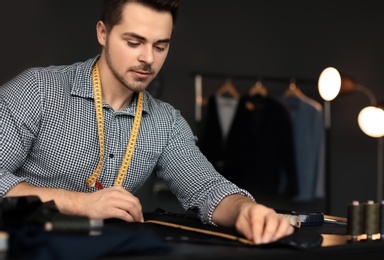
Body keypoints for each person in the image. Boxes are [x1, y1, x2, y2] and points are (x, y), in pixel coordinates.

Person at [0, 0, 294, 245]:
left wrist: (246, 210)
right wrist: (79, 203)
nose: (148, 59)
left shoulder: (166, 122)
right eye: (134, 42)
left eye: (160, 46)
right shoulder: (39, 89)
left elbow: (207, 188)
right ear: (103, 33)